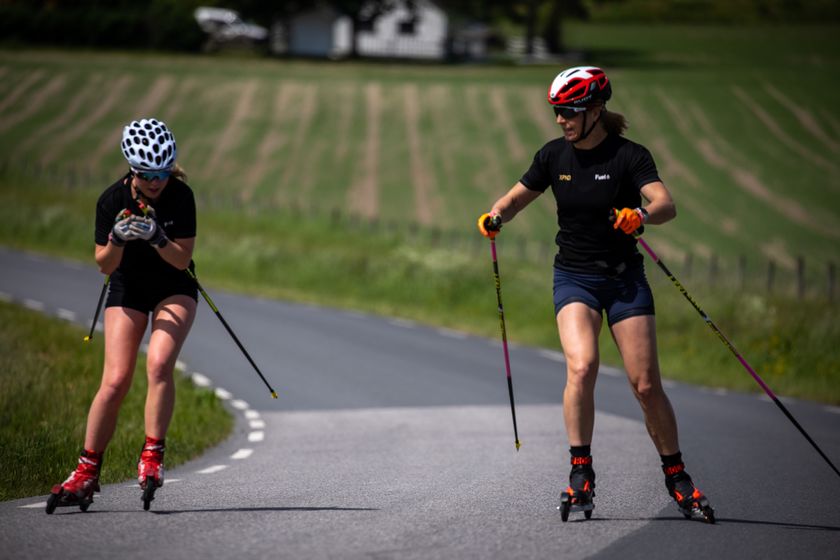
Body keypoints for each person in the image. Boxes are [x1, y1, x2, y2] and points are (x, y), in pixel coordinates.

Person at [477, 67, 713, 522]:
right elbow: (515, 198)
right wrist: (496, 217)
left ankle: (677, 476)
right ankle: (580, 472)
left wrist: (641, 216)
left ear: (596, 110)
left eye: (570, 111)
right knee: (582, 366)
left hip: (625, 279)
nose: (561, 120)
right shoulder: (553, 157)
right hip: (575, 277)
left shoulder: (628, 156)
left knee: (645, 385)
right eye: (557, 112)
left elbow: (666, 205)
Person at [47, 118, 198, 512]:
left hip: (173, 287)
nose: (156, 181)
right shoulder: (111, 201)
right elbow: (103, 264)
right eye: (148, 174)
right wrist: (117, 237)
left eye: (163, 172)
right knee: (115, 379)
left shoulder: (181, 197)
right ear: (133, 169)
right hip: (128, 287)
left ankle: (152, 456)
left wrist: (157, 236)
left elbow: (182, 260)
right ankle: (85, 471)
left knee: (160, 364)